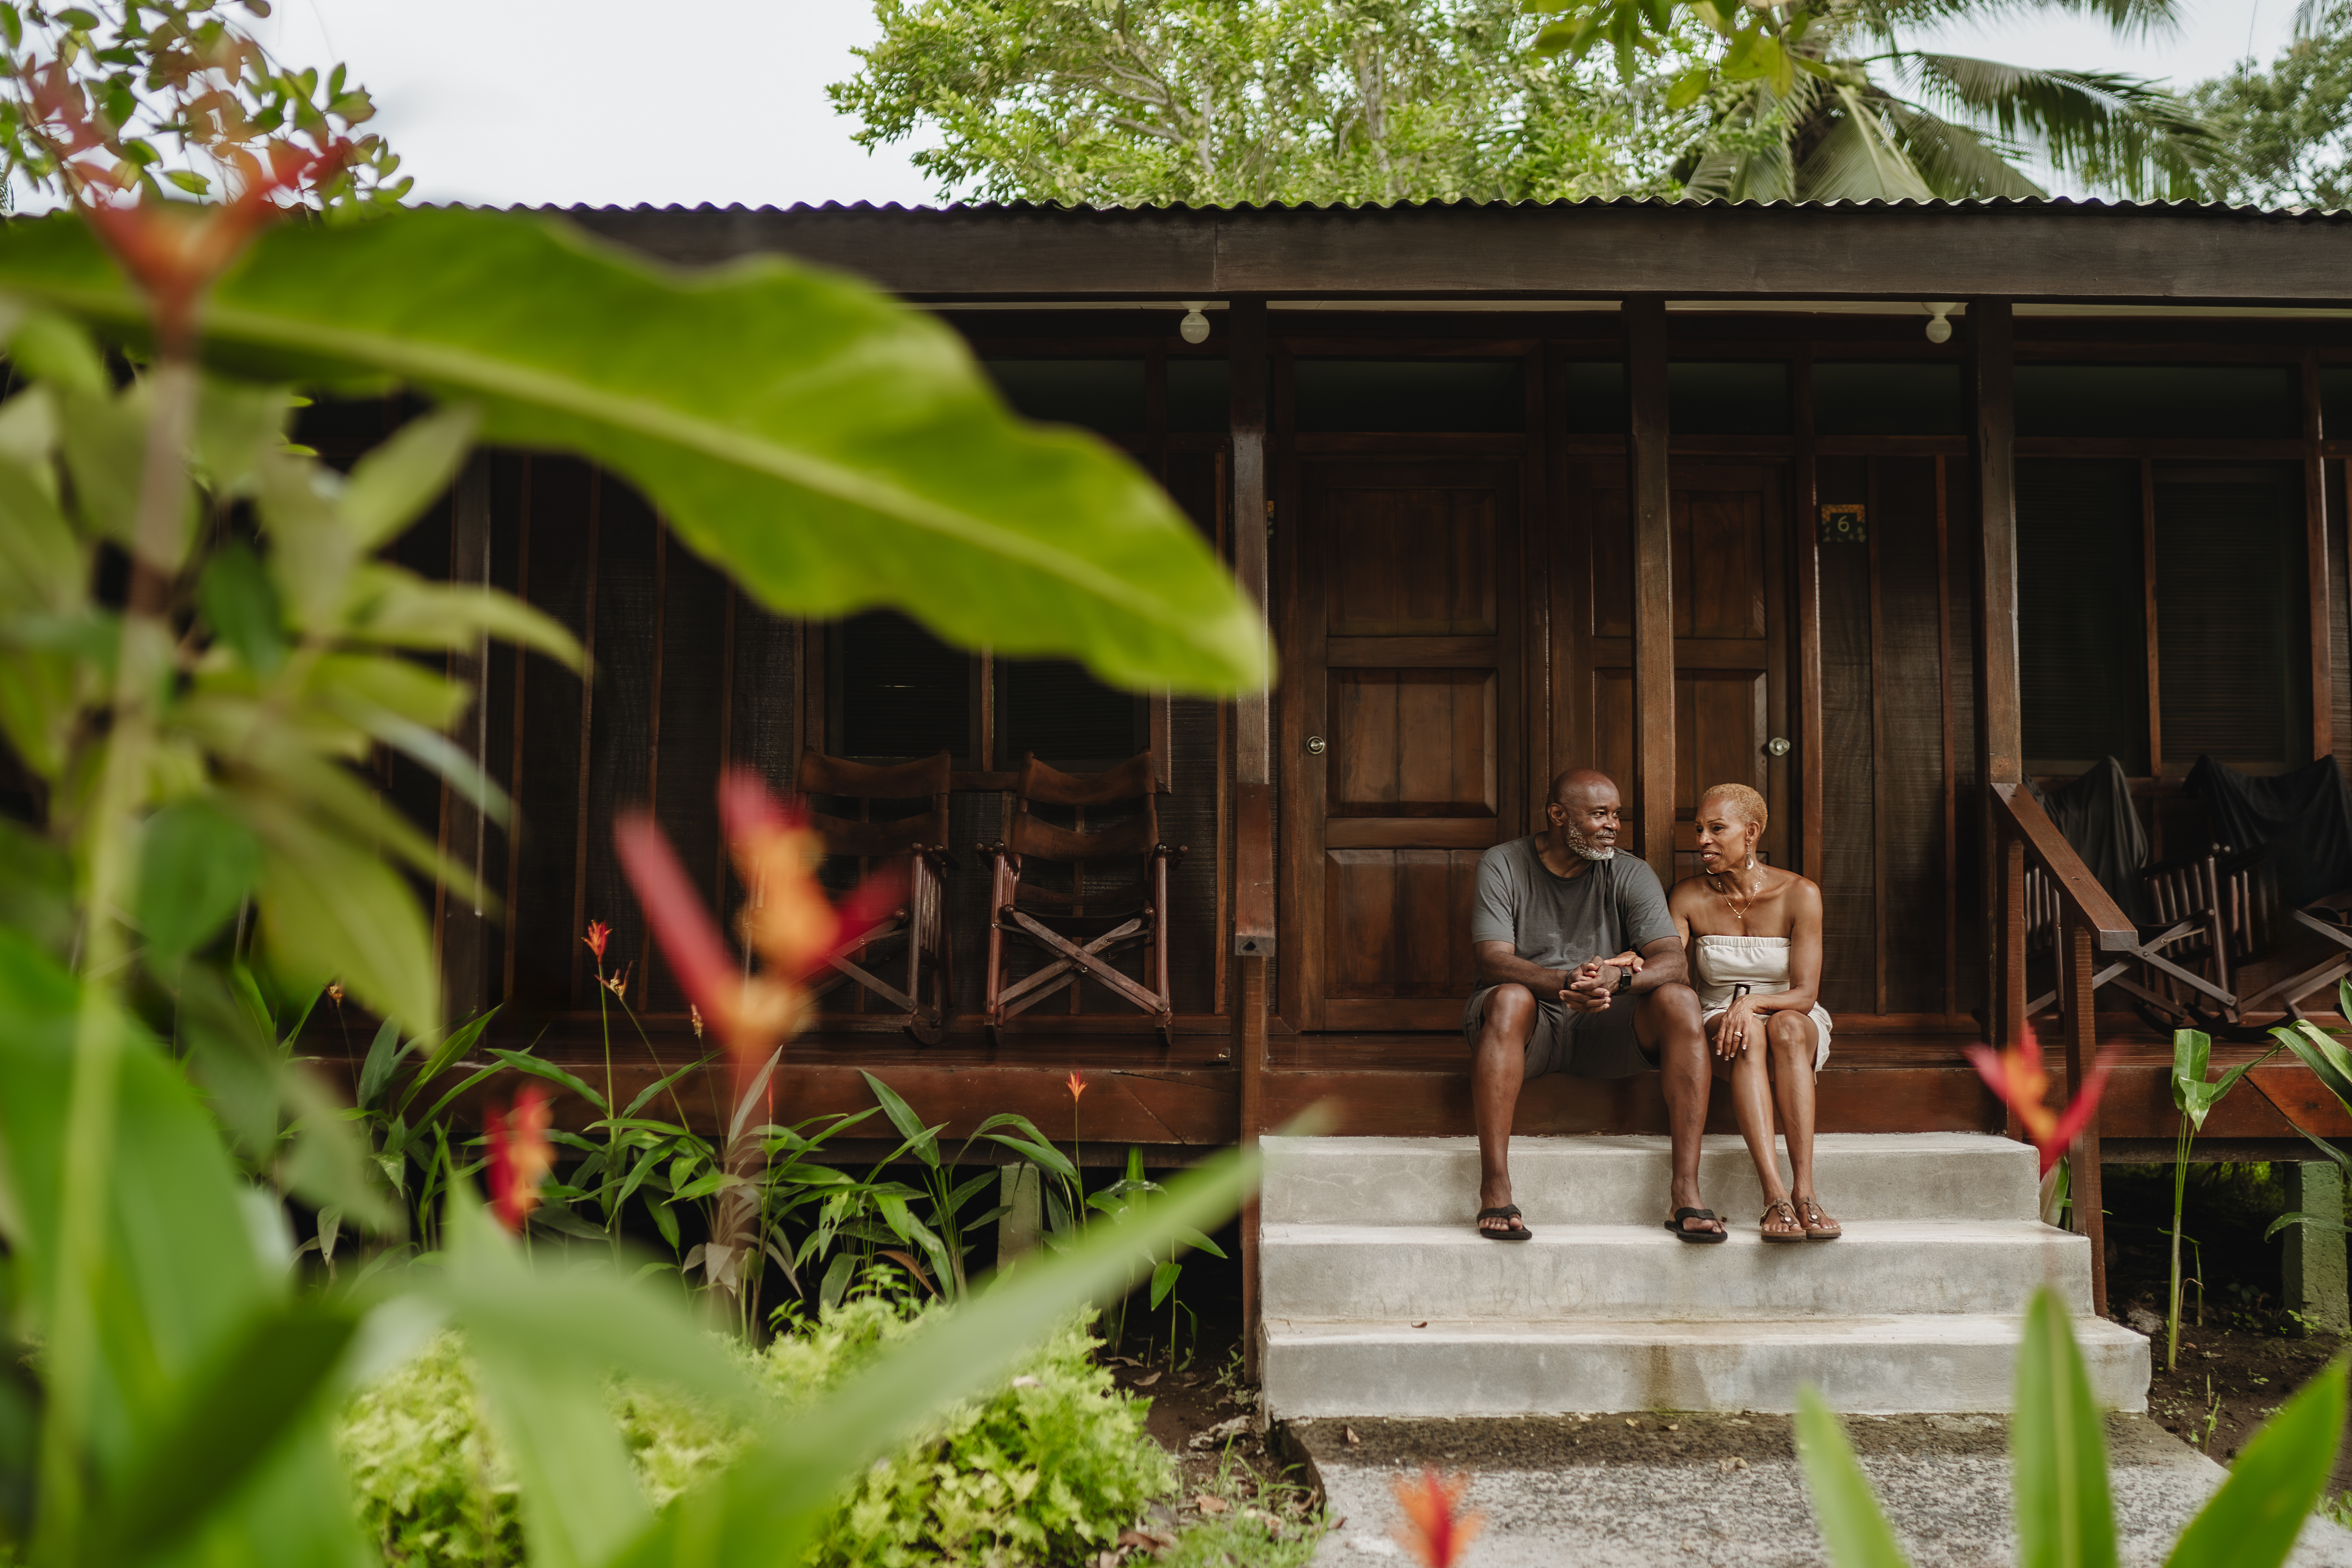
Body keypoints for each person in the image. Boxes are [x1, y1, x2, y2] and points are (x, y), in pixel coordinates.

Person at [1465, 768, 1721, 1242]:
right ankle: (1495, 1185)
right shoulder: (1503, 863)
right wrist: (1563, 981)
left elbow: (1672, 961)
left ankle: (1686, 1188)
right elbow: (1493, 960)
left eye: (1617, 815)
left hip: (1607, 1021)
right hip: (1531, 1025)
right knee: (1509, 998)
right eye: (1599, 814)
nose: (1613, 826)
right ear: (1559, 815)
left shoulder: (1629, 870)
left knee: (1682, 1000)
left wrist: (1617, 977)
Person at [1667, 784, 1841, 1242]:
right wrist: (1628, 960)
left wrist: (1753, 1002)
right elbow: (1668, 961)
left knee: (1782, 1028)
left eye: (1717, 829)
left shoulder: (1800, 893)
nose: (1702, 839)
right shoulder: (1687, 895)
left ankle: (1806, 1191)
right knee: (1745, 1032)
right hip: (1720, 1017)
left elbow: (1804, 993)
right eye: (1699, 829)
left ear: (1752, 832)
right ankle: (1775, 1194)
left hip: (1789, 1012)